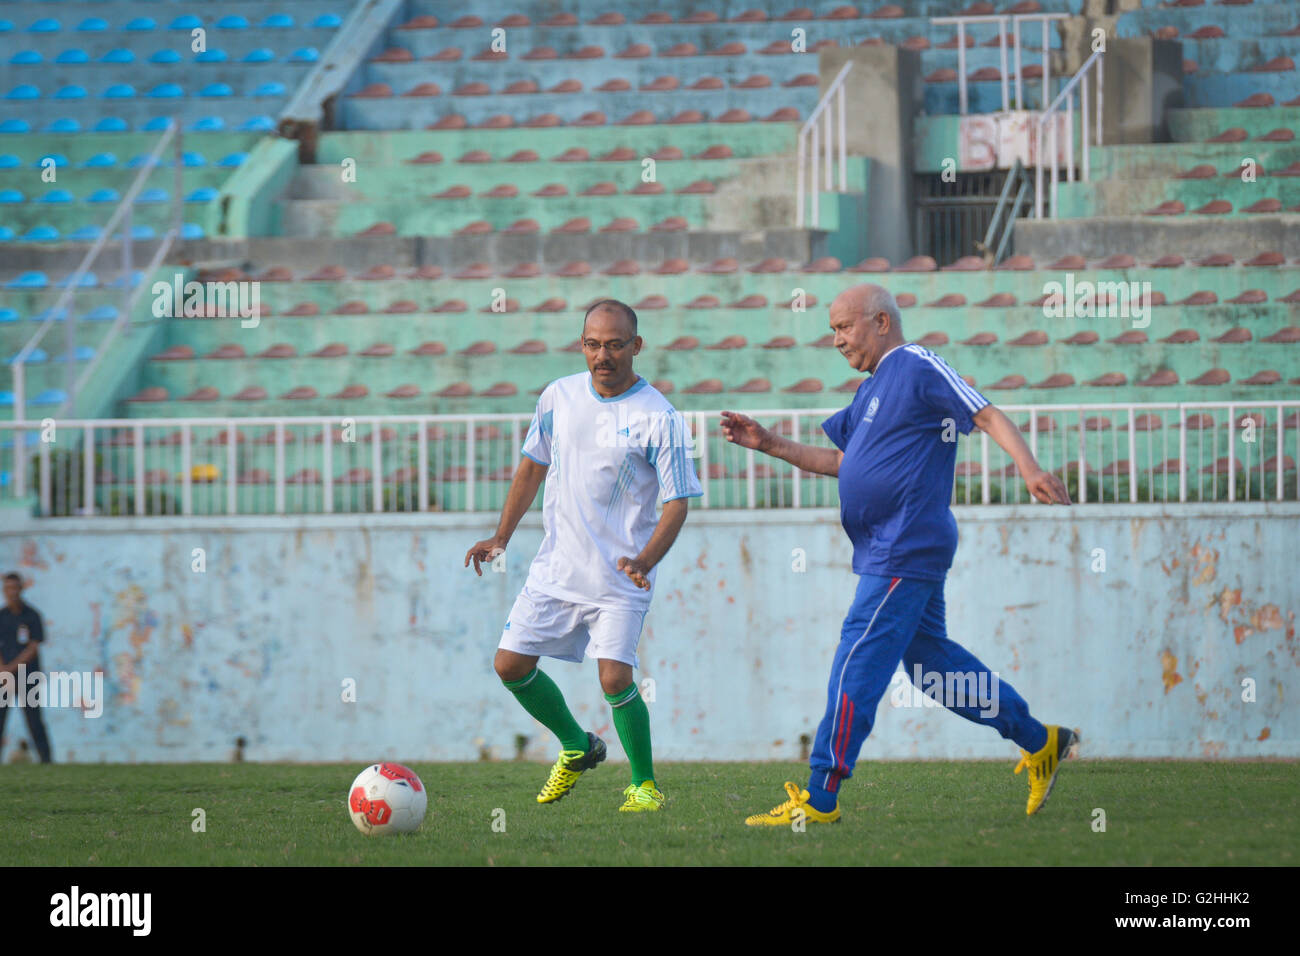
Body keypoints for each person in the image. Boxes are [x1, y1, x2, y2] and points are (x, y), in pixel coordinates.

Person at [722, 283, 1076, 825]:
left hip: (905, 546)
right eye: (832, 331)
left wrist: (1029, 468)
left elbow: (984, 414)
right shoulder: (871, 390)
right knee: (930, 667)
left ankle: (820, 796)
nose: (837, 340)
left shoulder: (915, 363)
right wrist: (769, 443)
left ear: (882, 321)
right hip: (888, 549)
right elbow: (843, 462)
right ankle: (1038, 739)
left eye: (844, 327)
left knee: (856, 657)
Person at [465, 299, 702, 813]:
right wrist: (500, 536)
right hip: (557, 568)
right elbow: (531, 468)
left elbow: (678, 503)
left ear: (636, 346)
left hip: (621, 577)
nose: (603, 355)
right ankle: (577, 744)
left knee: (615, 677)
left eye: (615, 344)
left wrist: (645, 560)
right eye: (593, 344)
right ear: (583, 345)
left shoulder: (659, 417)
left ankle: (644, 786)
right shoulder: (559, 396)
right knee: (509, 665)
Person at [0, 573, 53, 763]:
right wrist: (3, 671)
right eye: (8, 588)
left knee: (34, 721)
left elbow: (33, 647)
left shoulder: (32, 616)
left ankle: (47, 761)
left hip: (28, 676)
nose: (12, 592)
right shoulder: (1, 616)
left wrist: (11, 668)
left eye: (15, 588)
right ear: (4, 591)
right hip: (4, 678)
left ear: (21, 589)